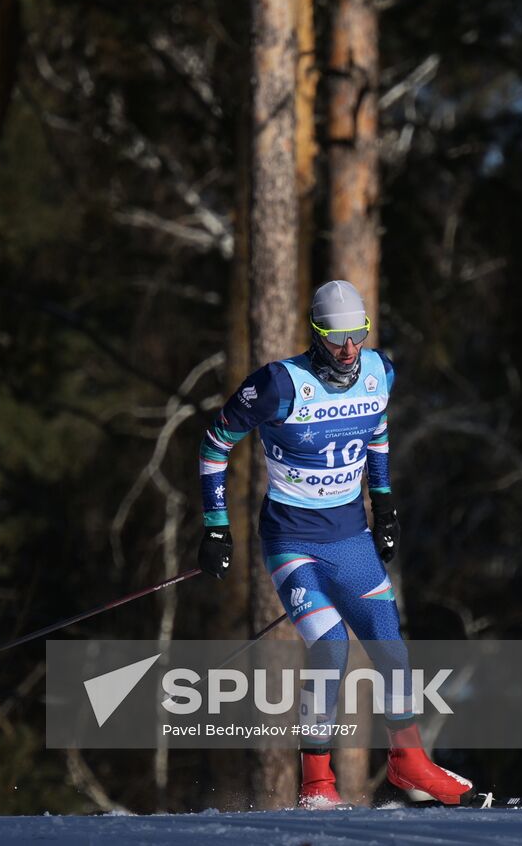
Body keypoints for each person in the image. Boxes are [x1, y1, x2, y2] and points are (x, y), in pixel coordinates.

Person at [197, 281, 476, 808]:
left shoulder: (379, 372)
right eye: (335, 337)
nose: (348, 349)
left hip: (351, 539)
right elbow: (215, 443)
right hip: (292, 541)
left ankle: (409, 762)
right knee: (331, 646)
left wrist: (385, 503)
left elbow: (377, 434)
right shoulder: (280, 384)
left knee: (390, 643)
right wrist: (215, 523)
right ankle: (317, 786)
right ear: (315, 333)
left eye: (357, 335)